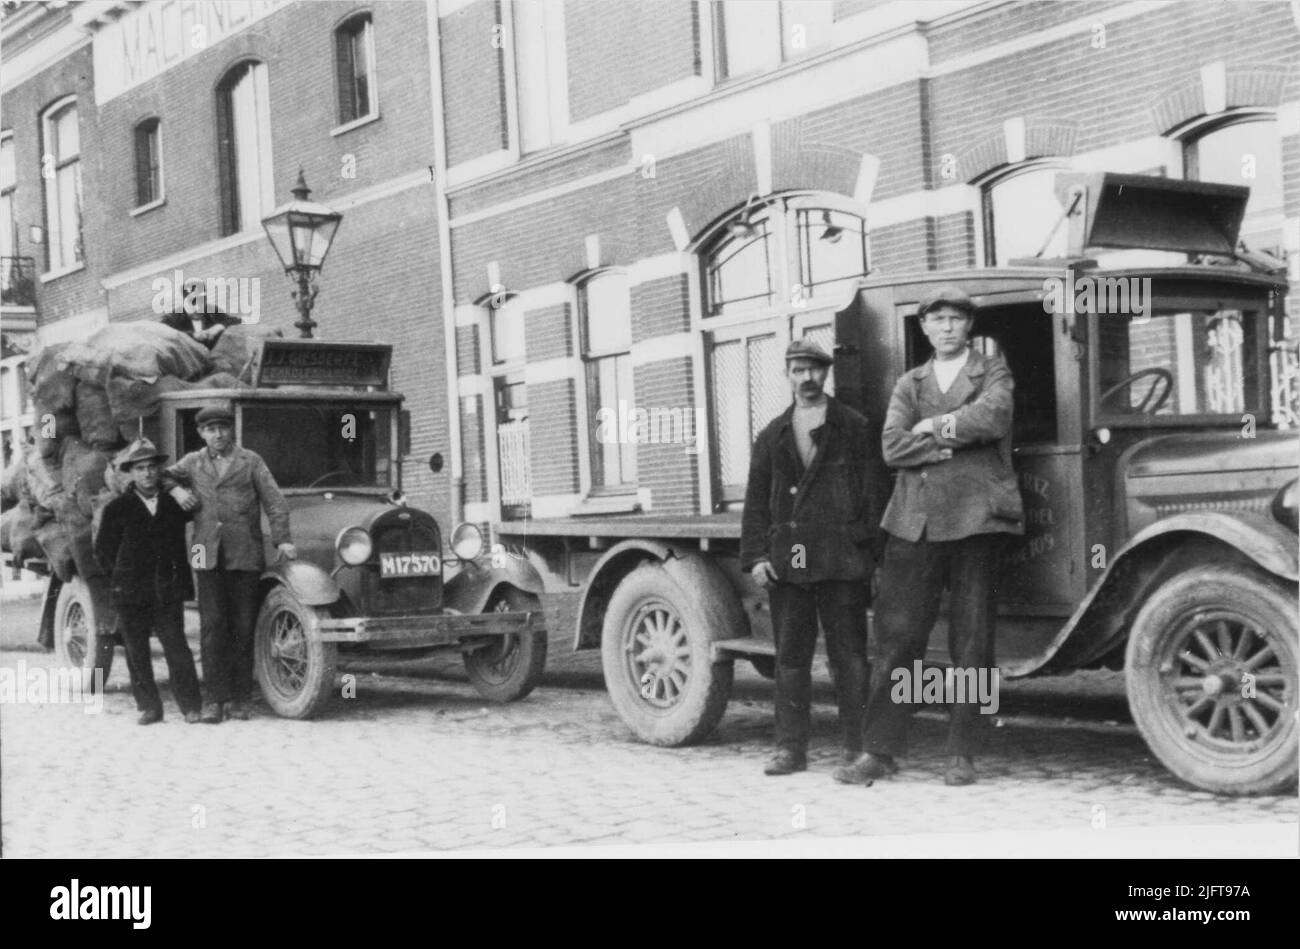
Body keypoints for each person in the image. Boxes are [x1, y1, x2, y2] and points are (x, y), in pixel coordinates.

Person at [838, 286, 1024, 787]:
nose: (946, 327)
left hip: (977, 518)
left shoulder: (992, 371)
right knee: (898, 639)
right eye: (937, 319)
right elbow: (892, 447)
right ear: (924, 328)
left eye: (956, 318)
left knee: (972, 640)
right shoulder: (910, 382)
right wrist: (944, 447)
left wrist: (936, 425)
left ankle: (962, 751)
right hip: (913, 522)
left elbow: (995, 416)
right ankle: (879, 750)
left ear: (969, 326)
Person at [740, 338, 879, 777]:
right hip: (792, 558)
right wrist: (757, 557)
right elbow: (756, 501)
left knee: (850, 658)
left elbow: (876, 494)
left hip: (841, 558)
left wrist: (869, 553)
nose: (807, 378)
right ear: (787, 375)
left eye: (815, 369)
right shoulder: (772, 434)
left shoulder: (854, 426)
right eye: (798, 370)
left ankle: (857, 747)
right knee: (792, 657)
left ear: (826, 373)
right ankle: (789, 749)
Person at [165, 405, 296, 723]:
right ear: (201, 433)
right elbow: (162, 475)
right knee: (211, 627)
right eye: (210, 429)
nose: (217, 434)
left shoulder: (250, 461)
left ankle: (240, 698)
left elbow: (274, 501)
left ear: (231, 429)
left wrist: (283, 539)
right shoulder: (193, 462)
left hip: (245, 553)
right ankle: (214, 700)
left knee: (242, 626)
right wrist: (177, 489)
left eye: (222, 428)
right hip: (204, 552)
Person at [93, 439, 203, 725]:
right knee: (136, 650)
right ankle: (150, 707)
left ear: (159, 471)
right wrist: (120, 578)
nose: (147, 474)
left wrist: (176, 490)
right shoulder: (117, 508)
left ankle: (191, 706)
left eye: (152, 467)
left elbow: (195, 501)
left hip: (167, 589)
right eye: (140, 468)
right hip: (130, 592)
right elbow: (103, 551)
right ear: (130, 473)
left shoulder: (174, 505)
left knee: (177, 648)